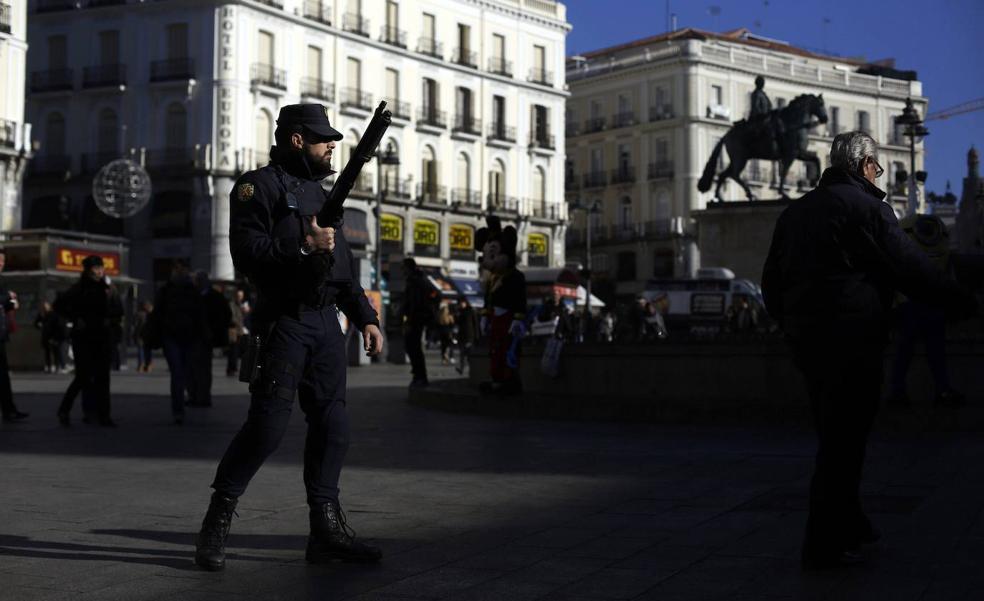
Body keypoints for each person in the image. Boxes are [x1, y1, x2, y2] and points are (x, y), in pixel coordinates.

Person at [762, 131, 977, 569]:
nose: (878, 174)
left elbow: (770, 282)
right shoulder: (867, 209)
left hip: (807, 343)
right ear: (863, 166)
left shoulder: (795, 213)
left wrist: (791, 324)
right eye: (877, 167)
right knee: (844, 443)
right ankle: (821, 546)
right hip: (853, 339)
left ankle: (850, 523)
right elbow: (908, 267)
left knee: (834, 434)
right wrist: (959, 299)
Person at [194, 103, 383, 571]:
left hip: (324, 326)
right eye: (324, 139)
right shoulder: (256, 187)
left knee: (333, 428)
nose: (333, 146)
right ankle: (217, 518)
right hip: (282, 322)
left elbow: (342, 272)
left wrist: (366, 317)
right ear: (296, 139)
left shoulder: (325, 197)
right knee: (267, 428)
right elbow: (247, 254)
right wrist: (301, 245)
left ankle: (325, 530)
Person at [886, 214, 965, 407]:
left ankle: (899, 391)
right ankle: (941, 390)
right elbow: (949, 281)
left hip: (912, 305)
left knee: (907, 351)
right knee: (933, 352)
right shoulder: (942, 249)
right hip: (928, 305)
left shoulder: (904, 247)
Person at [54, 255, 122, 427]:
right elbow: (59, 306)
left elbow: (118, 310)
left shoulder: (107, 288)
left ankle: (104, 415)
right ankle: (65, 410)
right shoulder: (78, 289)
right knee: (83, 377)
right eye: (95, 268)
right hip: (83, 338)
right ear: (86, 270)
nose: (98, 271)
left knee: (102, 378)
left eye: (100, 268)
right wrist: (76, 319)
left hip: (102, 336)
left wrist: (110, 319)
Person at [156, 262, 206, 423]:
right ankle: (179, 408)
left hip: (181, 336)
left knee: (180, 373)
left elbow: (200, 316)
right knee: (179, 373)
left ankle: (180, 408)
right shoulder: (185, 291)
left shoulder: (180, 291)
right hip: (177, 336)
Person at [193, 271, 233, 407]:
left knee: (203, 369)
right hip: (195, 336)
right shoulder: (194, 296)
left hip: (206, 337)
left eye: (198, 280)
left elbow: (226, 315)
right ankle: (197, 396)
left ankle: (203, 397)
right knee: (195, 368)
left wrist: (216, 330)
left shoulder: (215, 297)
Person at [0, 247, 28, 423]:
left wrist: (11, 303)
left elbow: (6, 302)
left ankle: (9, 409)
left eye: (2, 261)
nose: (1, 264)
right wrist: (6, 298)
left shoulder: (1, 281)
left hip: (0, 334)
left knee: (2, 374)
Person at [402, 257, 434, 388]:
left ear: (408, 268)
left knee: (413, 346)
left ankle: (420, 376)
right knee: (413, 347)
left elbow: (414, 303)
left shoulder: (415, 282)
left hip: (415, 319)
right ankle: (418, 374)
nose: (401, 270)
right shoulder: (417, 280)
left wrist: (409, 318)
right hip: (417, 318)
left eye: (403, 267)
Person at [35, 300, 67, 373]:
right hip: (46, 336)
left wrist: (54, 337)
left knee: (56, 352)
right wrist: (39, 325)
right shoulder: (42, 315)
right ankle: (49, 366)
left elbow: (56, 326)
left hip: (52, 336)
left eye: (46, 306)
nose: (44, 308)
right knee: (47, 352)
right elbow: (36, 324)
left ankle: (57, 367)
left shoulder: (53, 315)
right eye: (43, 307)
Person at [226, 289, 251, 377]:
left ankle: (237, 368)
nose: (239, 298)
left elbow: (246, 318)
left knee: (240, 350)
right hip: (234, 330)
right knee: (233, 350)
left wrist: (246, 312)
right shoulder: (232, 304)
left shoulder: (243, 305)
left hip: (242, 331)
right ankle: (231, 369)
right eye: (238, 296)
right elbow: (232, 317)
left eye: (241, 296)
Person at [454, 297, 477, 375]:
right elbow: (457, 323)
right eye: (460, 303)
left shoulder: (471, 311)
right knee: (462, 354)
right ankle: (461, 369)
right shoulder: (459, 312)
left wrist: (476, 336)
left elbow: (475, 324)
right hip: (461, 336)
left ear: (465, 303)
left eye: (462, 303)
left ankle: (472, 370)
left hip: (469, 336)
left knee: (470, 355)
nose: (461, 304)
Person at [132, 301, 154, 372]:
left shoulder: (139, 315)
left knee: (141, 350)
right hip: (148, 334)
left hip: (141, 334)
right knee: (147, 350)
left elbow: (135, 326)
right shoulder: (151, 314)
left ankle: (141, 365)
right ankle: (148, 365)